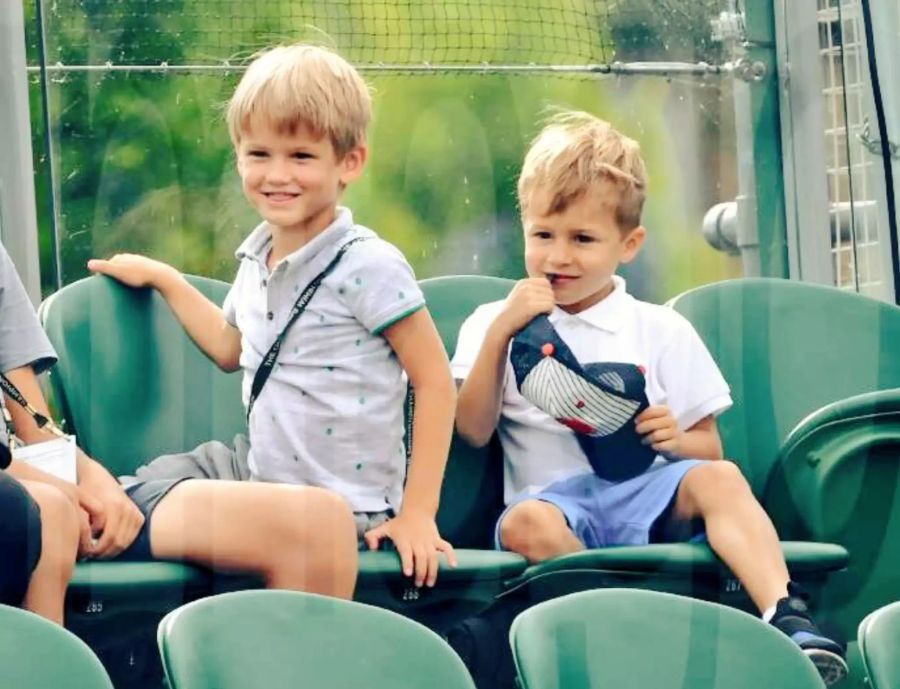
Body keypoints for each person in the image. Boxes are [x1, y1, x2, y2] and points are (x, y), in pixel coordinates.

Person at [450, 110, 848, 685]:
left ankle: (786, 617)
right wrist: (500, 336)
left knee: (723, 479)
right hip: (556, 507)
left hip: (645, 496)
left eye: (583, 239)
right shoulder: (493, 321)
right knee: (525, 524)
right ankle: (621, 622)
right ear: (524, 229)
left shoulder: (659, 329)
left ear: (629, 243)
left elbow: (708, 447)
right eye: (543, 235)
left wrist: (676, 439)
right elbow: (473, 430)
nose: (558, 257)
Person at [87, 43, 457, 597]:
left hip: (340, 507)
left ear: (349, 162)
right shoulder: (257, 259)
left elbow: (434, 383)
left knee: (146, 510)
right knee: (124, 494)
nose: (276, 174)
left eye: (301, 157)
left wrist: (418, 515)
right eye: (259, 154)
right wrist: (167, 279)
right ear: (238, 155)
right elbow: (228, 348)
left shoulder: (368, 265)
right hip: (254, 475)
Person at [1, 240, 145, 623]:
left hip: (18, 477)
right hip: (17, 490)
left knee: (65, 506)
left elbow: (35, 423)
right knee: (50, 510)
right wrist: (64, 492)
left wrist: (89, 475)